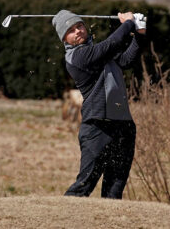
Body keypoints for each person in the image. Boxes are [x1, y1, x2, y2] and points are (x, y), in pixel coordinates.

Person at [52, 10, 146, 199]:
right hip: (98, 127)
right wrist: (128, 23)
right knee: (84, 185)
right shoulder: (77, 57)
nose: (78, 31)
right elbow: (112, 44)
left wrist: (140, 32)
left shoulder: (100, 52)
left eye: (79, 26)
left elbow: (127, 60)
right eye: (71, 30)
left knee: (114, 190)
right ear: (64, 39)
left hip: (123, 125)